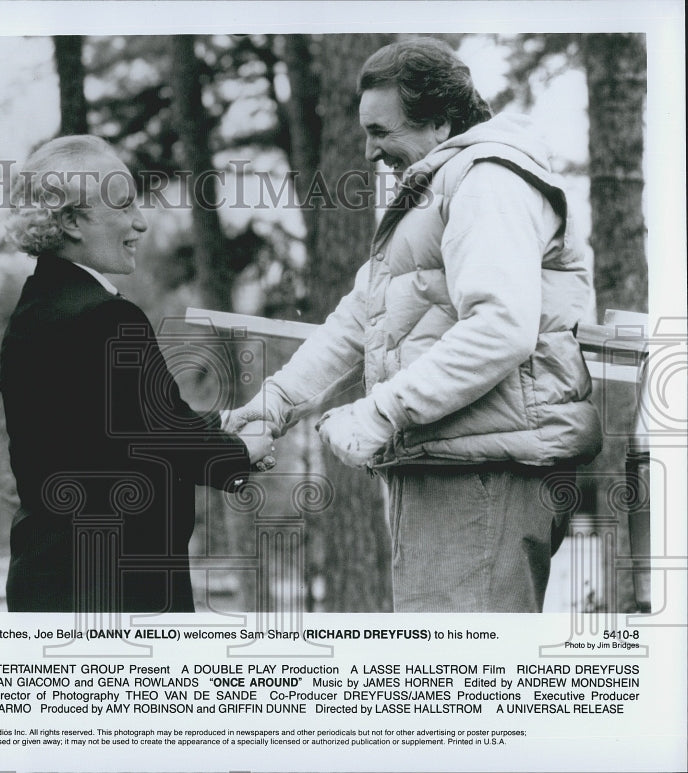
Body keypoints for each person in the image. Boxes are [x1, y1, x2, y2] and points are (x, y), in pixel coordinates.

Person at [224, 38, 602, 612]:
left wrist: (379, 412)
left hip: (486, 474)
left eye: (382, 131)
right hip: (453, 466)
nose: (371, 151)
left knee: (461, 685)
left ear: (442, 120)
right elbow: (357, 317)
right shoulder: (441, 187)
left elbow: (501, 326)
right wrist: (273, 402)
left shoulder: (488, 181)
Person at [0, 135, 274, 614]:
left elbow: (119, 428)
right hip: (116, 587)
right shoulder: (105, 316)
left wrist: (217, 424)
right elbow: (160, 434)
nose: (140, 222)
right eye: (124, 207)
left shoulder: (37, 308)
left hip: (52, 576)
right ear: (71, 221)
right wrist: (243, 451)